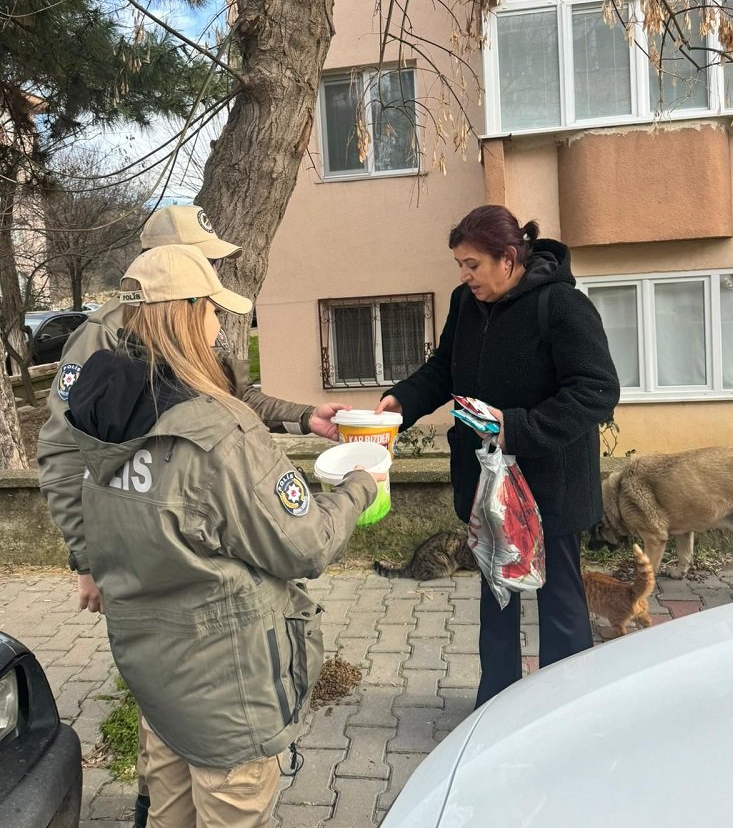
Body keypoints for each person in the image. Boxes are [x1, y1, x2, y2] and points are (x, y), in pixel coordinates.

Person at [36, 204, 351, 827]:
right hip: (208, 646)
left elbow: (226, 396)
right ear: (173, 282)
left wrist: (299, 416)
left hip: (165, 622)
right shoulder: (101, 343)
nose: (214, 278)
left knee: (172, 759)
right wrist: (87, 558)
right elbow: (63, 451)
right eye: (205, 267)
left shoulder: (168, 357)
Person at [376, 205, 620, 706]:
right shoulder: (465, 304)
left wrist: (519, 428)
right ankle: (496, 707)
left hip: (550, 487)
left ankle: (567, 711)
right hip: (488, 486)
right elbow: (445, 368)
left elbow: (597, 390)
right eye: (460, 266)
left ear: (508, 259)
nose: (465, 277)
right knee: (496, 599)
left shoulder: (563, 306)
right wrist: (401, 403)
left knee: (560, 607)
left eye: (473, 265)